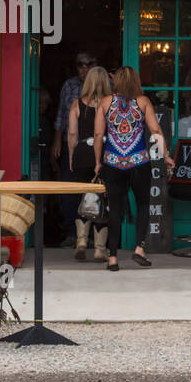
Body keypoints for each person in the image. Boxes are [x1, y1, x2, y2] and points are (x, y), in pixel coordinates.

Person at [93, 66, 173, 271]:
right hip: (139, 162)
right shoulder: (143, 101)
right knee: (144, 205)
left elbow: (97, 135)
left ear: (116, 81)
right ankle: (139, 248)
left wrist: (97, 162)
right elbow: (155, 130)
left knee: (115, 210)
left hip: (112, 162)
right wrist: (165, 156)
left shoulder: (105, 103)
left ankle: (112, 258)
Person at [67, 65, 112, 260]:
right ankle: (100, 248)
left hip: (82, 154)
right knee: (102, 199)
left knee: (85, 198)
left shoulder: (77, 104)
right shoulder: (111, 104)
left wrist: (71, 155)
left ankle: (82, 240)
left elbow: (72, 133)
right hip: (105, 154)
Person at [51, 52, 97, 244]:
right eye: (80, 65)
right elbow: (61, 115)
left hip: (95, 147)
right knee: (70, 190)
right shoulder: (69, 86)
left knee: (95, 191)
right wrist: (56, 141)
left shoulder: (103, 86)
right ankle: (73, 233)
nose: (84, 69)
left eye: (88, 64)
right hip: (73, 146)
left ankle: (94, 235)